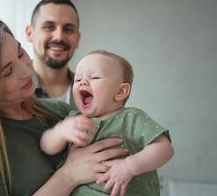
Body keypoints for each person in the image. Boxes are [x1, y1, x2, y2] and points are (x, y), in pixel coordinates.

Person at [0, 15, 129, 196]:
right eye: (7, 71)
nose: (25, 70)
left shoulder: (61, 113)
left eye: (20, 53)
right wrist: (68, 175)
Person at [41, 50, 174, 196]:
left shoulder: (131, 118)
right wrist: (60, 132)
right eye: (78, 79)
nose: (83, 82)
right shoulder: (73, 120)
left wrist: (129, 166)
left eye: (95, 77)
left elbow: (165, 149)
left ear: (120, 91)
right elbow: (47, 147)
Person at [26, 0, 79, 109]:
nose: (59, 37)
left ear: (78, 39)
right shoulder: (10, 91)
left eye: (68, 29)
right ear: (30, 33)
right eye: (49, 27)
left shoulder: (92, 92)